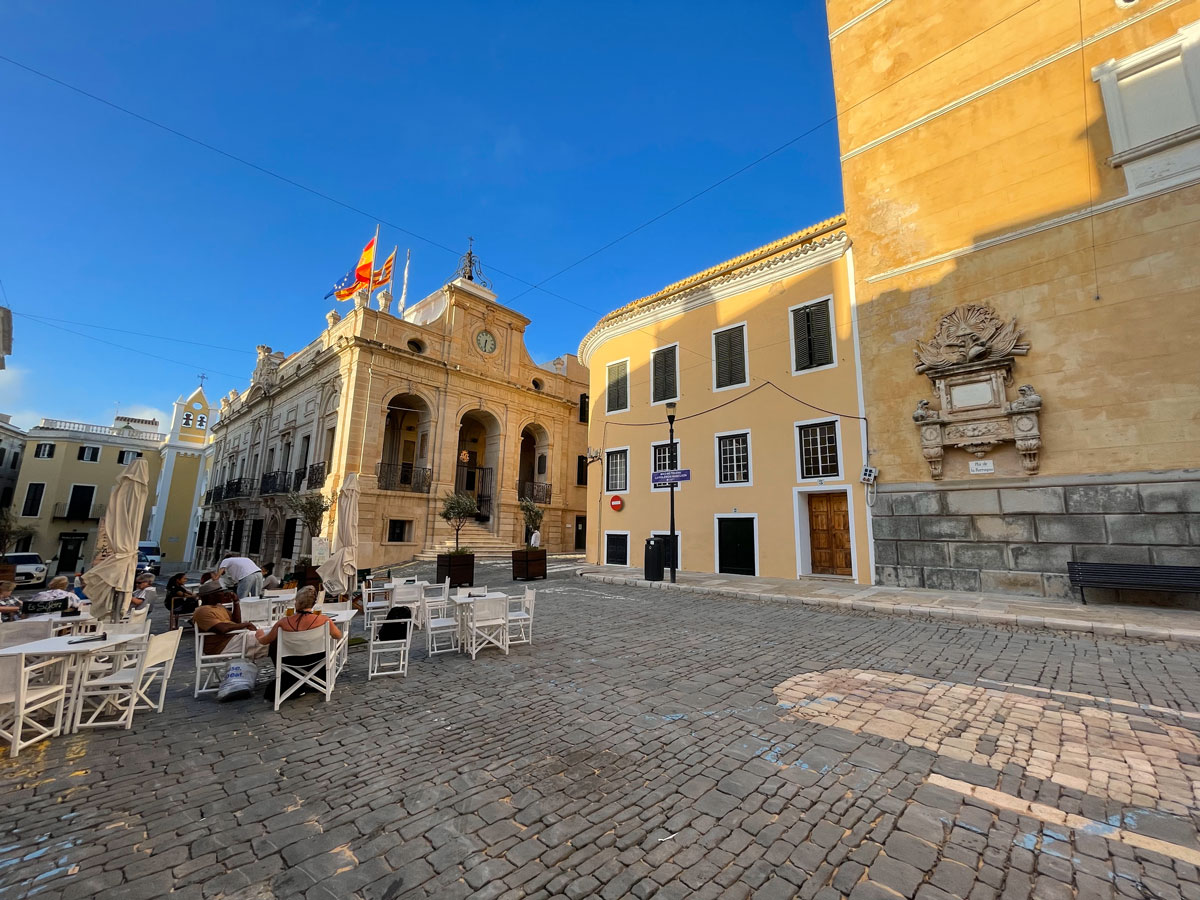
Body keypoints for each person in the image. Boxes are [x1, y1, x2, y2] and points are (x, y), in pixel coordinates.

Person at [256, 586, 342, 700]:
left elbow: (265, 641)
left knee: (274, 645)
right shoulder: (324, 620)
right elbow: (338, 635)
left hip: (291, 660)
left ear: (297, 603)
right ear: (313, 604)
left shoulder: (283, 622)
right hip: (317, 659)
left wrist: (259, 634)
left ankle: (291, 681)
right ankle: (315, 680)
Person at [192, 581, 267, 659]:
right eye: (221, 592)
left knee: (271, 632)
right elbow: (223, 629)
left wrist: (236, 602)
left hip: (233, 638)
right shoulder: (203, 611)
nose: (224, 594)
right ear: (211, 596)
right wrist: (246, 624)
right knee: (267, 639)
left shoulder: (218, 606)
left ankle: (278, 661)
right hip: (221, 646)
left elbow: (236, 622)